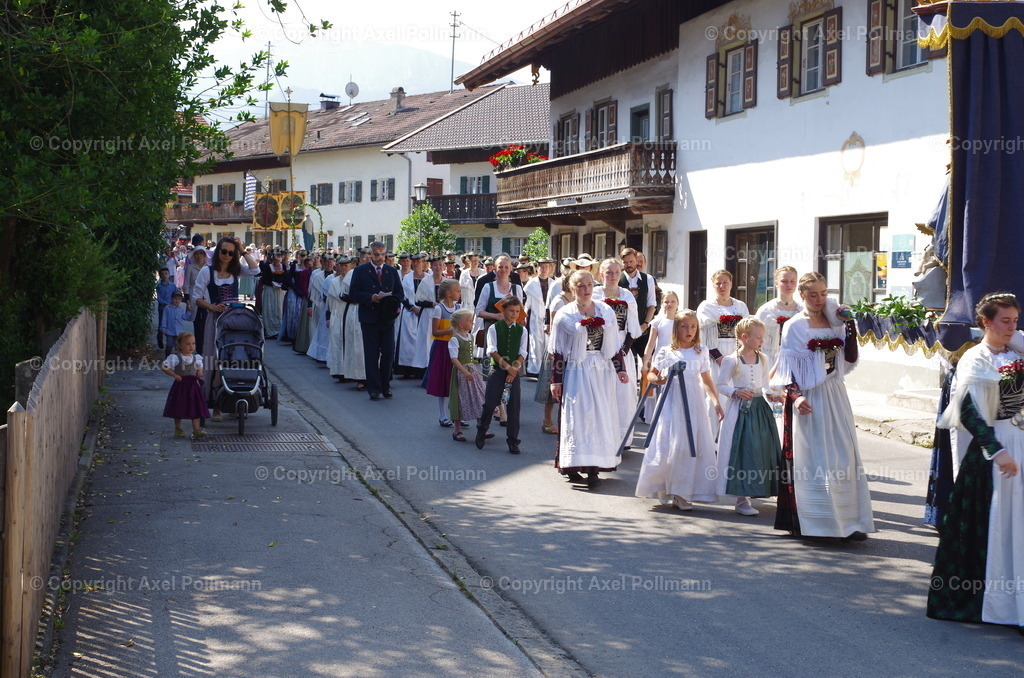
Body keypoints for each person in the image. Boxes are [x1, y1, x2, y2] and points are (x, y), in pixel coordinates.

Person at [928, 293, 1023, 629]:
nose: (1012, 327)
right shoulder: (975, 360)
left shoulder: (1016, 352)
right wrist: (997, 452)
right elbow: (969, 412)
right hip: (993, 453)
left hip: (1021, 443)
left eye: (1015, 320)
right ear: (986, 322)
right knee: (996, 524)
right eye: (1005, 321)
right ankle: (997, 602)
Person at [769, 271, 873, 541]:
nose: (819, 299)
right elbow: (786, 372)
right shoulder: (794, 326)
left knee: (843, 453)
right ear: (802, 296)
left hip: (835, 393)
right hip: (810, 397)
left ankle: (848, 521)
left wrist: (849, 325)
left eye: (824, 293)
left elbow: (849, 357)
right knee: (815, 456)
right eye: (813, 294)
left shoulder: (834, 321)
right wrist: (797, 397)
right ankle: (817, 522)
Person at [634, 309, 723, 509]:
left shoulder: (701, 351)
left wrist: (716, 402)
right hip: (671, 401)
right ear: (676, 328)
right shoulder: (667, 350)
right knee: (671, 444)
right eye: (684, 326)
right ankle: (668, 486)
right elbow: (652, 375)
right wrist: (659, 379)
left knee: (689, 446)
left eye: (693, 326)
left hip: (693, 403)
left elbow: (706, 379)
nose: (689, 330)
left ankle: (682, 490)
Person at [550, 270, 629, 489]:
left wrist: (620, 369)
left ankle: (594, 469)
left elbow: (613, 346)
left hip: (601, 370)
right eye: (581, 286)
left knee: (600, 416)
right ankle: (574, 465)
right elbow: (557, 351)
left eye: (589, 286)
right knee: (579, 416)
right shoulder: (565, 314)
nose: (586, 290)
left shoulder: (605, 310)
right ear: (572, 289)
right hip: (578, 370)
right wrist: (555, 381)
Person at [715, 317, 781, 516]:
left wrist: (773, 394)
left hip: (760, 410)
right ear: (745, 337)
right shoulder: (731, 360)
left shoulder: (763, 359)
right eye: (759, 337)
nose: (762, 341)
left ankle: (758, 490)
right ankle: (741, 499)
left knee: (761, 450)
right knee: (743, 451)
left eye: (763, 337)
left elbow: (764, 385)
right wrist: (735, 392)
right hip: (740, 412)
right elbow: (721, 385)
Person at [192, 236, 260, 420]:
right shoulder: (207, 272)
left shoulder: (236, 271)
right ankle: (216, 406)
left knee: (234, 357)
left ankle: (234, 399)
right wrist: (212, 307)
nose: (227, 256)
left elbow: (256, 269)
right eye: (224, 252)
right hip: (215, 319)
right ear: (217, 252)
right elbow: (196, 297)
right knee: (215, 359)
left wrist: (243, 250)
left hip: (235, 320)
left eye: (231, 253)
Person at [349, 241, 405, 400]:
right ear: (370, 254)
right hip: (369, 318)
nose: (379, 257)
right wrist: (370, 297)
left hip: (387, 319)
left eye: (382, 254)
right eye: (376, 254)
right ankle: (374, 388)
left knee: (388, 352)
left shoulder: (392, 271)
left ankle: (385, 385)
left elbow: (400, 294)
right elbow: (353, 294)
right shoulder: (360, 271)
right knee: (371, 354)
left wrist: (392, 302)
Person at [697, 270, 750, 436]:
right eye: (718, 283)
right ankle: (712, 439)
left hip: (736, 357)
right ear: (713, 285)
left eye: (725, 282)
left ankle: (733, 437)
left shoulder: (740, 306)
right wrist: (719, 358)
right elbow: (704, 337)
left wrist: (739, 357)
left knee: (736, 395)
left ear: (731, 284)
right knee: (716, 397)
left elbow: (746, 331)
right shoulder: (706, 307)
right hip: (715, 358)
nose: (722, 286)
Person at [594, 258, 642, 437]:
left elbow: (633, 327)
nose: (613, 276)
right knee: (602, 392)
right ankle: (602, 435)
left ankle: (621, 437)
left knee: (622, 393)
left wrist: (623, 351)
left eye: (616, 272)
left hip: (622, 347)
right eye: (609, 272)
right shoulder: (596, 294)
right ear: (601, 274)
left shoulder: (627, 295)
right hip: (600, 349)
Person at [475, 295, 528, 454]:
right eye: (511, 311)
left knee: (513, 407)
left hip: (514, 371)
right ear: (503, 311)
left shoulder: (522, 330)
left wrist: (515, 369)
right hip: (497, 370)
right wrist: (507, 368)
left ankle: (513, 441)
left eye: (517, 311)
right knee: (490, 403)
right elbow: (492, 350)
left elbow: (522, 352)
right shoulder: (494, 328)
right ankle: (482, 430)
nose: (514, 314)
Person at [535, 264, 574, 435]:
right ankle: (547, 420)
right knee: (552, 387)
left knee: (568, 387)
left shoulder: (574, 300)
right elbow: (553, 327)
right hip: (558, 348)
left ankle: (565, 421)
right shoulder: (559, 301)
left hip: (571, 348)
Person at [160, 332, 210, 440]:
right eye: (188, 344)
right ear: (180, 345)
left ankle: (196, 429)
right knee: (179, 406)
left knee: (195, 407)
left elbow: (200, 366)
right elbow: (164, 367)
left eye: (193, 343)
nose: (191, 346)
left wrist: (200, 371)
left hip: (193, 387)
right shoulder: (176, 357)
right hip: (181, 386)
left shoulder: (196, 358)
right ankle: (178, 428)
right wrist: (174, 374)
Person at [426, 279, 462, 425]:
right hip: (442, 347)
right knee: (443, 381)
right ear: (449, 293)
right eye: (457, 291)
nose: (460, 293)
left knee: (458, 382)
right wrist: (450, 330)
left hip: (456, 347)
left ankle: (459, 414)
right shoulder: (439, 309)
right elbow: (435, 331)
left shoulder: (459, 307)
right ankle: (442, 415)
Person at [448, 309, 486, 443]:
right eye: (470, 321)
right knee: (460, 399)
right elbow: (454, 359)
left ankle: (482, 427)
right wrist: (465, 372)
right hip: (461, 372)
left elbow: (470, 356)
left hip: (471, 370)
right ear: (461, 324)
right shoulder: (454, 339)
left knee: (478, 397)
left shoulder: (470, 337)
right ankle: (457, 430)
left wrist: (474, 369)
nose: (472, 322)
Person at [642, 290, 680, 420]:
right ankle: (660, 418)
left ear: (677, 303)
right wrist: (646, 361)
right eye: (666, 301)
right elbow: (651, 344)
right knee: (660, 388)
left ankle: (675, 417)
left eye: (672, 301)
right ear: (662, 304)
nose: (669, 304)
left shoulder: (681, 321)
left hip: (677, 357)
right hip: (661, 359)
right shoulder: (658, 322)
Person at [756, 265, 802, 367]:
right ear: (776, 283)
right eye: (784, 281)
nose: (788, 285)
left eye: (792, 281)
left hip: (796, 360)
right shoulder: (765, 311)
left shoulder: (802, 311)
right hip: (770, 361)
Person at [620, 248, 657, 359]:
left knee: (648, 362)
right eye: (625, 262)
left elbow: (652, 304)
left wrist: (645, 324)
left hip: (642, 328)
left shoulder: (648, 279)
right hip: (624, 331)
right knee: (626, 362)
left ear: (636, 260)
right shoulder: (618, 279)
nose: (628, 265)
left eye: (631, 261)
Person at [524, 257, 557, 376]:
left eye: (546, 267)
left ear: (549, 269)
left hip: (548, 319)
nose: (543, 269)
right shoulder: (530, 285)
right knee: (535, 344)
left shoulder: (553, 284)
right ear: (538, 268)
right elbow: (525, 304)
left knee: (548, 344)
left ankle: (546, 370)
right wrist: (524, 317)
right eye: (541, 267)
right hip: (536, 318)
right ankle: (534, 370)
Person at [396, 253, 427, 378]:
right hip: (409, 313)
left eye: (419, 262)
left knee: (422, 342)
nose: (416, 264)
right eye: (414, 262)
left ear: (423, 263)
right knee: (407, 342)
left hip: (424, 313)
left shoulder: (428, 278)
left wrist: (423, 309)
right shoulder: (406, 278)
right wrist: (412, 308)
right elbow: (402, 296)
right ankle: (407, 370)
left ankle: (421, 370)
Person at [326, 255, 352, 380]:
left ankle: (350, 371)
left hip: (350, 313)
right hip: (337, 313)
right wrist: (328, 317)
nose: (344, 268)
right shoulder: (333, 282)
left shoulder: (354, 280)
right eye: (341, 265)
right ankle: (339, 371)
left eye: (346, 265)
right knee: (337, 342)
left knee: (350, 342)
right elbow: (329, 302)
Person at [307, 255, 335, 363]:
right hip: (320, 306)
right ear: (323, 262)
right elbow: (312, 292)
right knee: (321, 332)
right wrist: (309, 306)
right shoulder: (317, 276)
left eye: (331, 261)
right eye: (327, 261)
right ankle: (320, 354)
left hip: (332, 307)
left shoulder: (336, 276)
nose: (329, 263)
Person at [292, 256, 314, 354]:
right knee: (306, 323)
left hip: (317, 300)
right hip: (308, 298)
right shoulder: (305, 272)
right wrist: (309, 296)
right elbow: (303, 285)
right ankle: (303, 345)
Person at [155, 268, 178, 349]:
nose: (164, 275)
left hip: (172, 308)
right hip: (163, 308)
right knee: (162, 323)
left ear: (169, 274)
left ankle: (173, 341)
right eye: (162, 274)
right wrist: (167, 303)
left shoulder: (173, 285)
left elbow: (177, 294)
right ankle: (160, 338)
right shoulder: (159, 286)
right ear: (160, 276)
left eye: (166, 273)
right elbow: (159, 298)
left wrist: (176, 302)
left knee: (172, 322)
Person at [160, 291, 187, 358]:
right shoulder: (167, 308)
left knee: (178, 346)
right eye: (175, 298)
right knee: (169, 345)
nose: (177, 300)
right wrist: (163, 328)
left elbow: (185, 317)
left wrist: (189, 311)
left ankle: (178, 358)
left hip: (179, 331)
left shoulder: (181, 309)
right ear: (171, 298)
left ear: (181, 300)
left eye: (179, 299)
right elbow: (164, 319)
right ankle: (167, 356)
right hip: (169, 331)